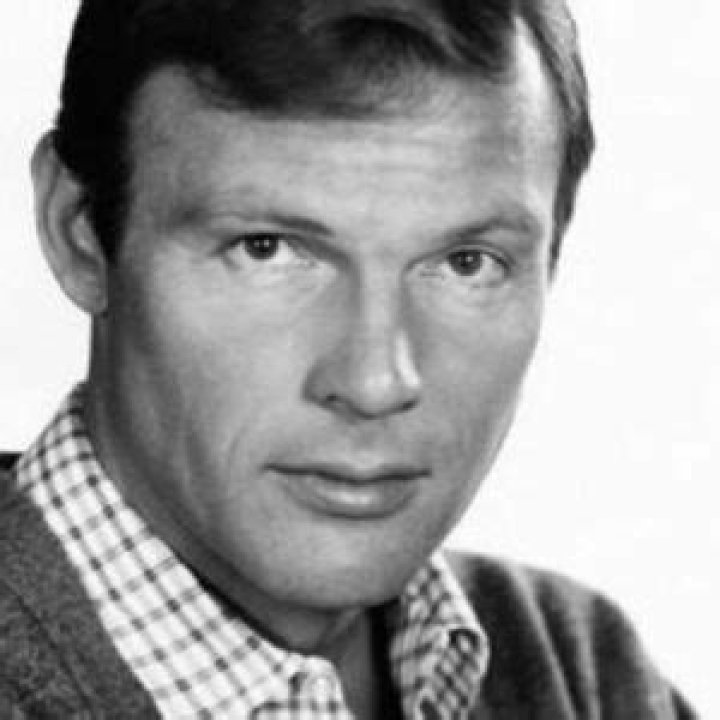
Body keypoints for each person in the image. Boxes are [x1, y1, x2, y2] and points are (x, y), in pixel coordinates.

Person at [0, 0, 696, 717]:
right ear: (78, 230)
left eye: (467, 262)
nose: (376, 382)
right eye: (266, 249)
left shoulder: (582, 673)